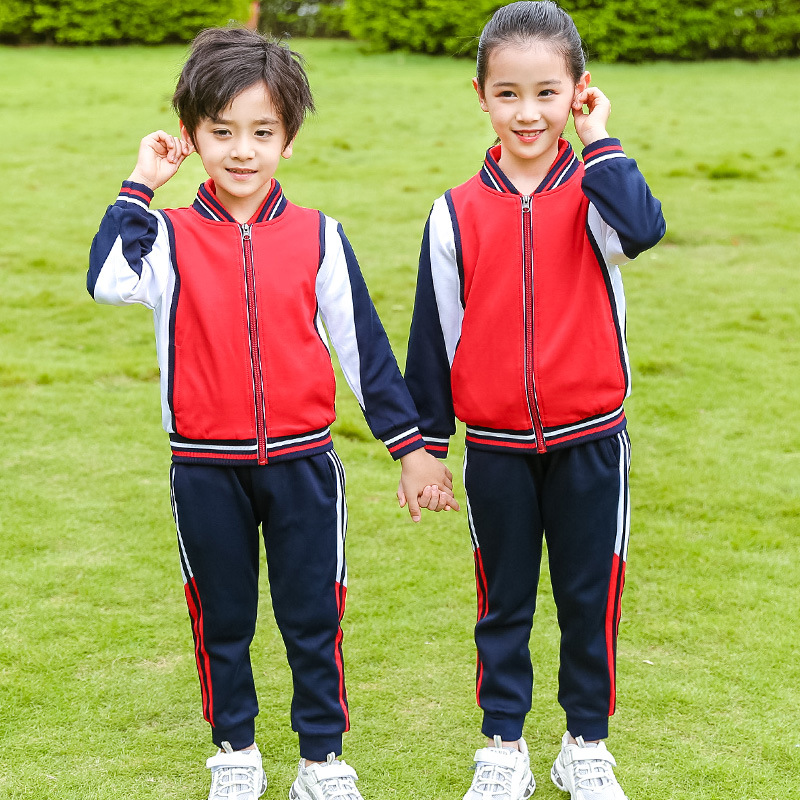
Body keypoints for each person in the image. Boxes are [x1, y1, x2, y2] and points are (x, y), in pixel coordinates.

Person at [87, 26, 457, 800]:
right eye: (221, 133)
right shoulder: (166, 236)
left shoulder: (318, 236)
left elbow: (366, 353)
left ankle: (322, 762)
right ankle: (236, 755)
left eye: (262, 132)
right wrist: (139, 184)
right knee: (222, 620)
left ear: (288, 139)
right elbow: (109, 283)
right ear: (190, 133)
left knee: (313, 621)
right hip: (205, 469)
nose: (242, 151)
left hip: (304, 467)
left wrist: (412, 448)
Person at [404, 2, 666, 799]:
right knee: (504, 601)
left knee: (589, 598)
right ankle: (503, 744)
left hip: (593, 439)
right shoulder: (453, 211)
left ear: (578, 93)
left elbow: (646, 229)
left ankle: (585, 743)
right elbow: (433, 337)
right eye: (509, 93)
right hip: (497, 448)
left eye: (548, 93)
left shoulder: (598, 194)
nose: (528, 112)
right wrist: (425, 449)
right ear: (480, 94)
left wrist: (601, 142)